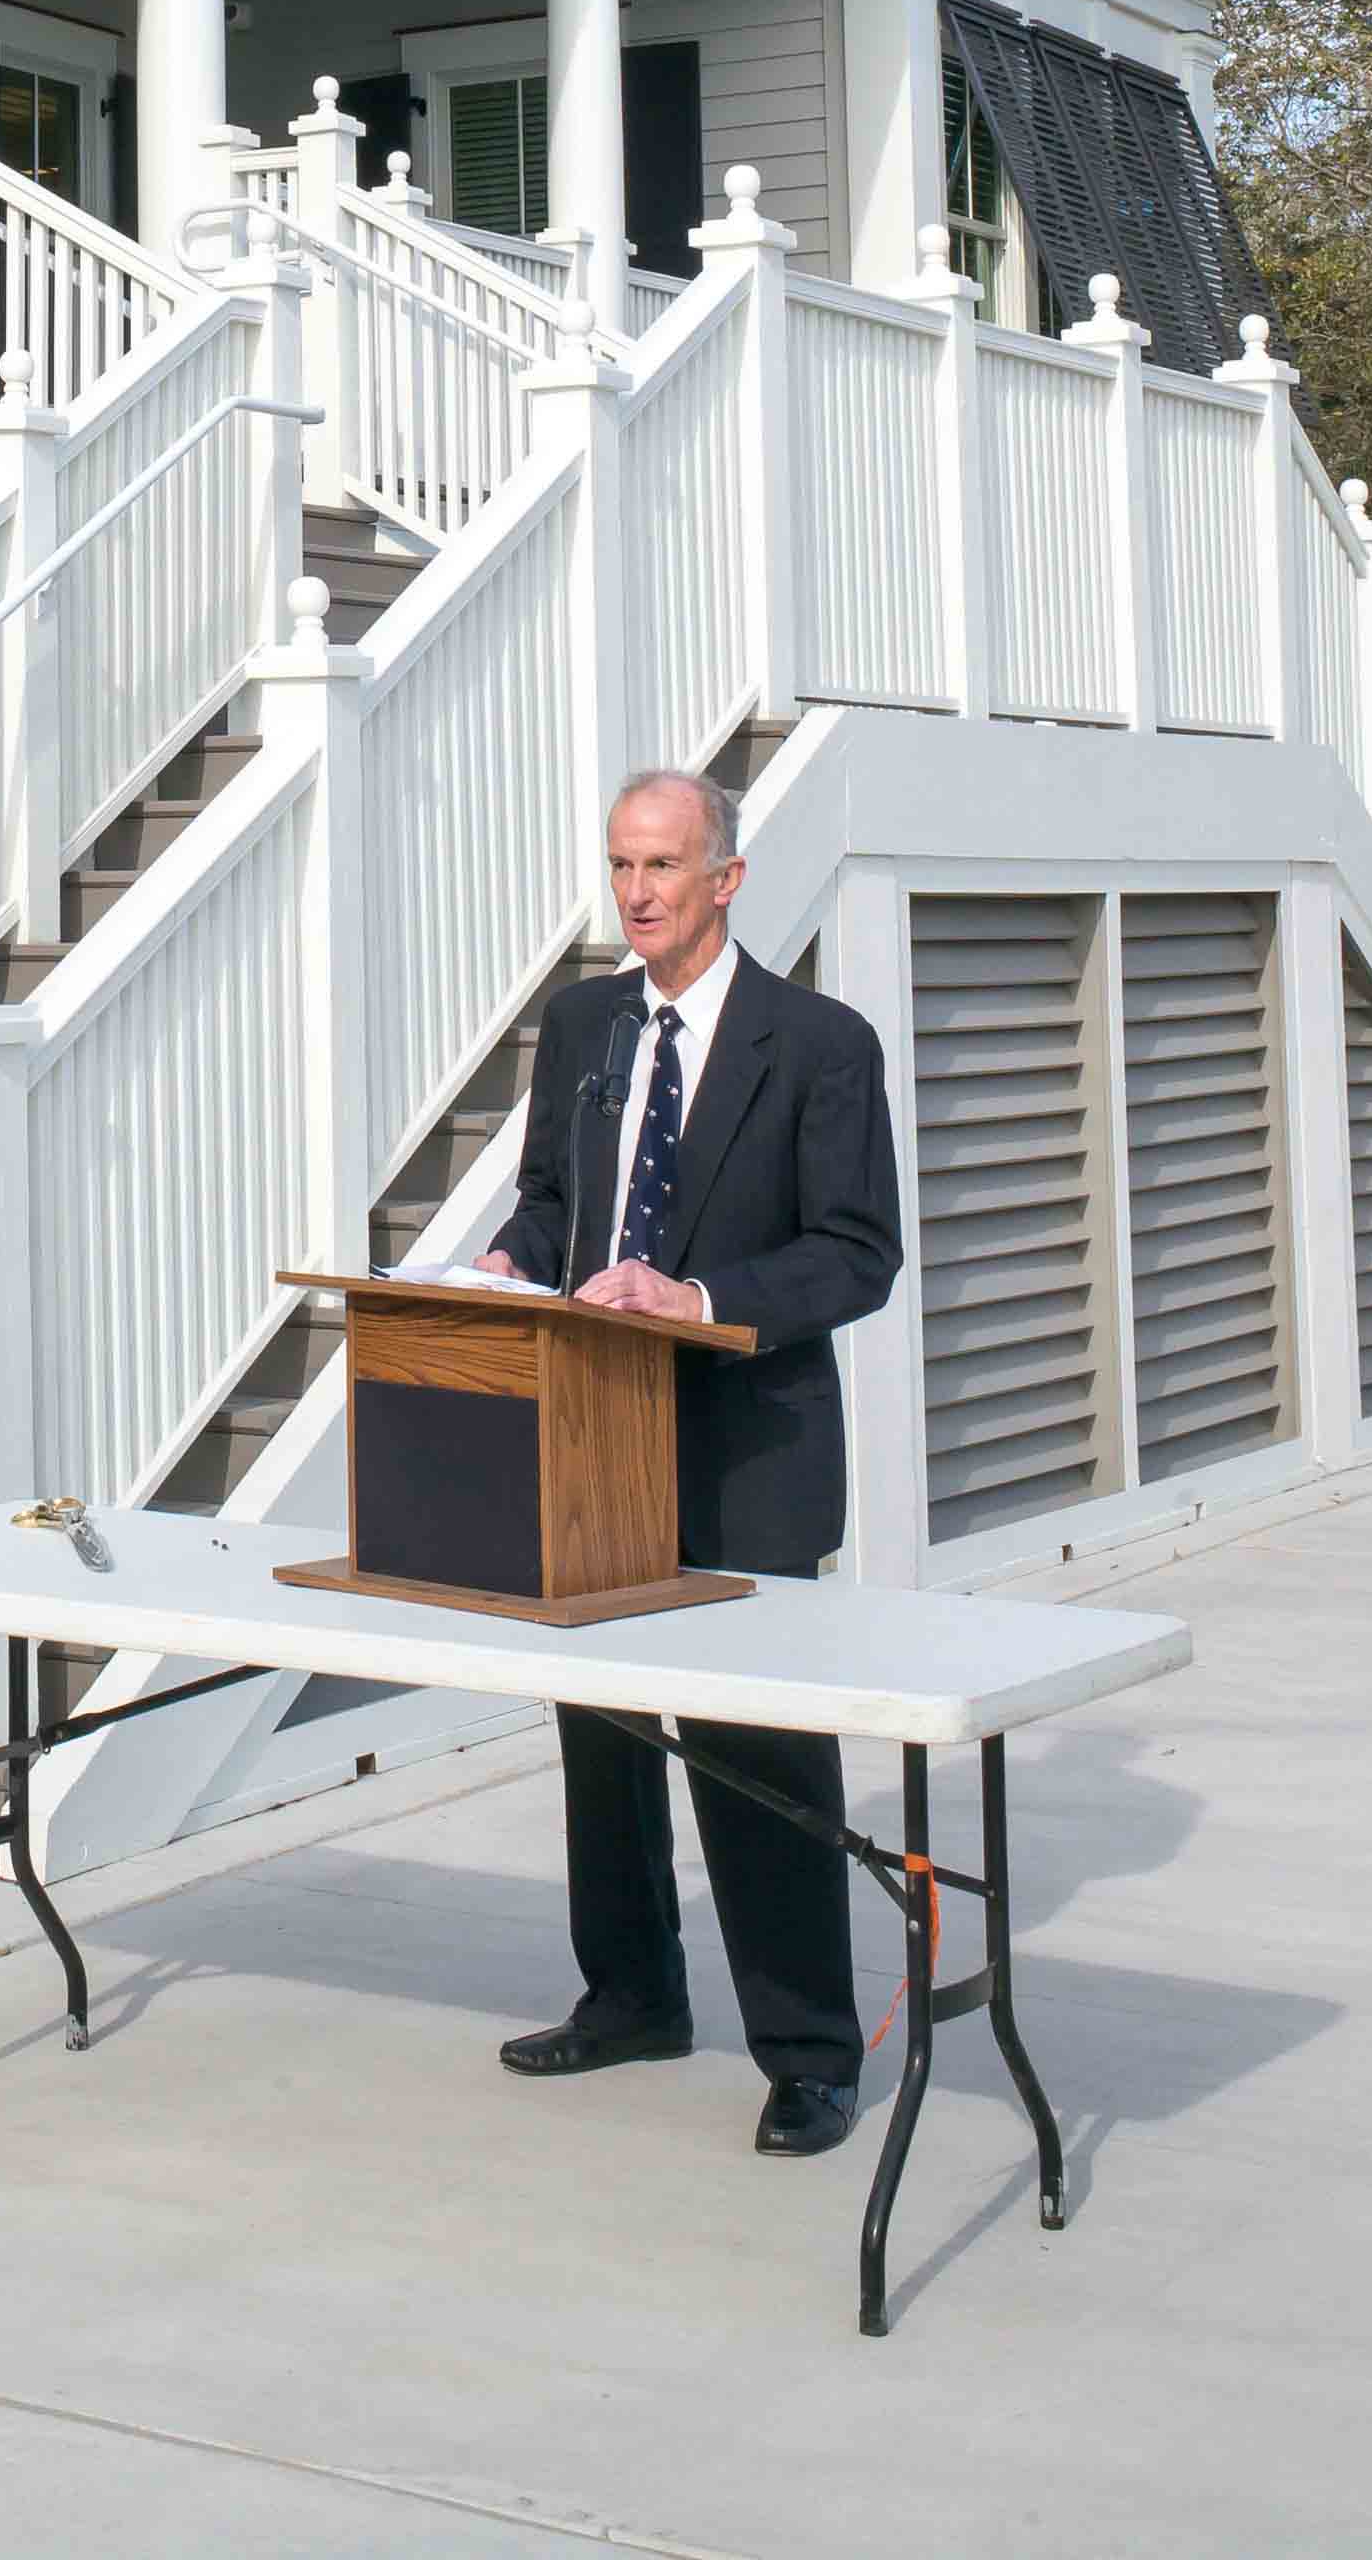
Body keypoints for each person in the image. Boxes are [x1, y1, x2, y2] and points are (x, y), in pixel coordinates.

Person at [476, 767, 904, 2158]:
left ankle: (805, 2053)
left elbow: (853, 1253)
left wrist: (698, 1299)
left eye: (663, 866)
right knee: (598, 1737)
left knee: (755, 1757)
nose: (637, 893)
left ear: (725, 878)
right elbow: (555, 1205)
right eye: (619, 866)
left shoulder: (817, 1044)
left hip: (746, 1448)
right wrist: (507, 1263)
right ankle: (630, 1997)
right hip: (590, 1438)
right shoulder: (584, 1024)